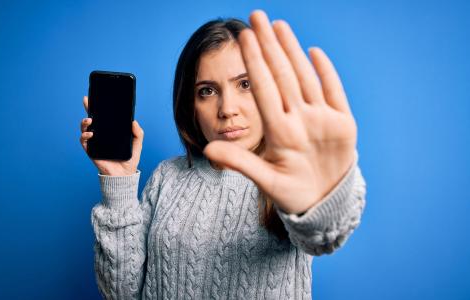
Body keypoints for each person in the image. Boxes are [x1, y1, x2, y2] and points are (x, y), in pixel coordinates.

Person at [79, 10, 366, 300]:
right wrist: (120, 185)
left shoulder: (285, 180)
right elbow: (121, 293)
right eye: (207, 91)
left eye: (245, 84)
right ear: (189, 104)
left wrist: (321, 197)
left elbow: (324, 235)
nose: (227, 108)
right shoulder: (167, 176)